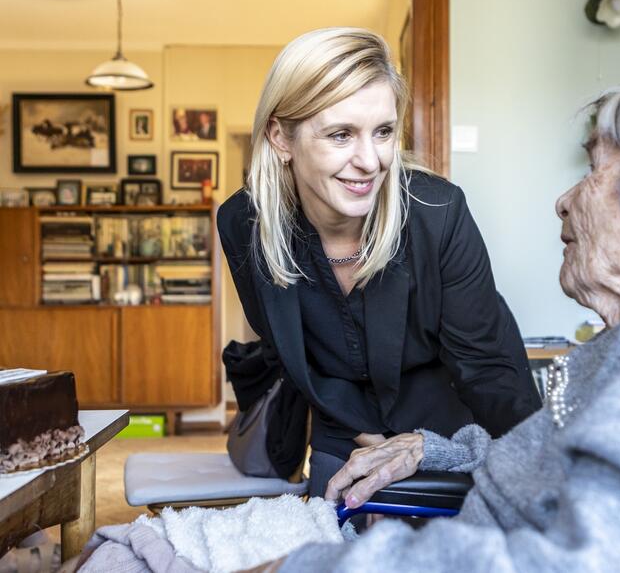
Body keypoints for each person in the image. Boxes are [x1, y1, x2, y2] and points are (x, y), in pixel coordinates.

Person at [272, 72, 620, 572]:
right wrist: (427, 449)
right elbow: (550, 463)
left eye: (594, 169)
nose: (564, 201)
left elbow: (605, 563)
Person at [217, 28, 541, 497]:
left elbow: (487, 369)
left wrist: (534, 458)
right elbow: (286, 354)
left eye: (383, 132)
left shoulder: (439, 214)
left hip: (450, 424)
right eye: (341, 134)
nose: (369, 161)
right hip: (342, 423)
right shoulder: (242, 223)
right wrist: (362, 436)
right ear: (281, 137)